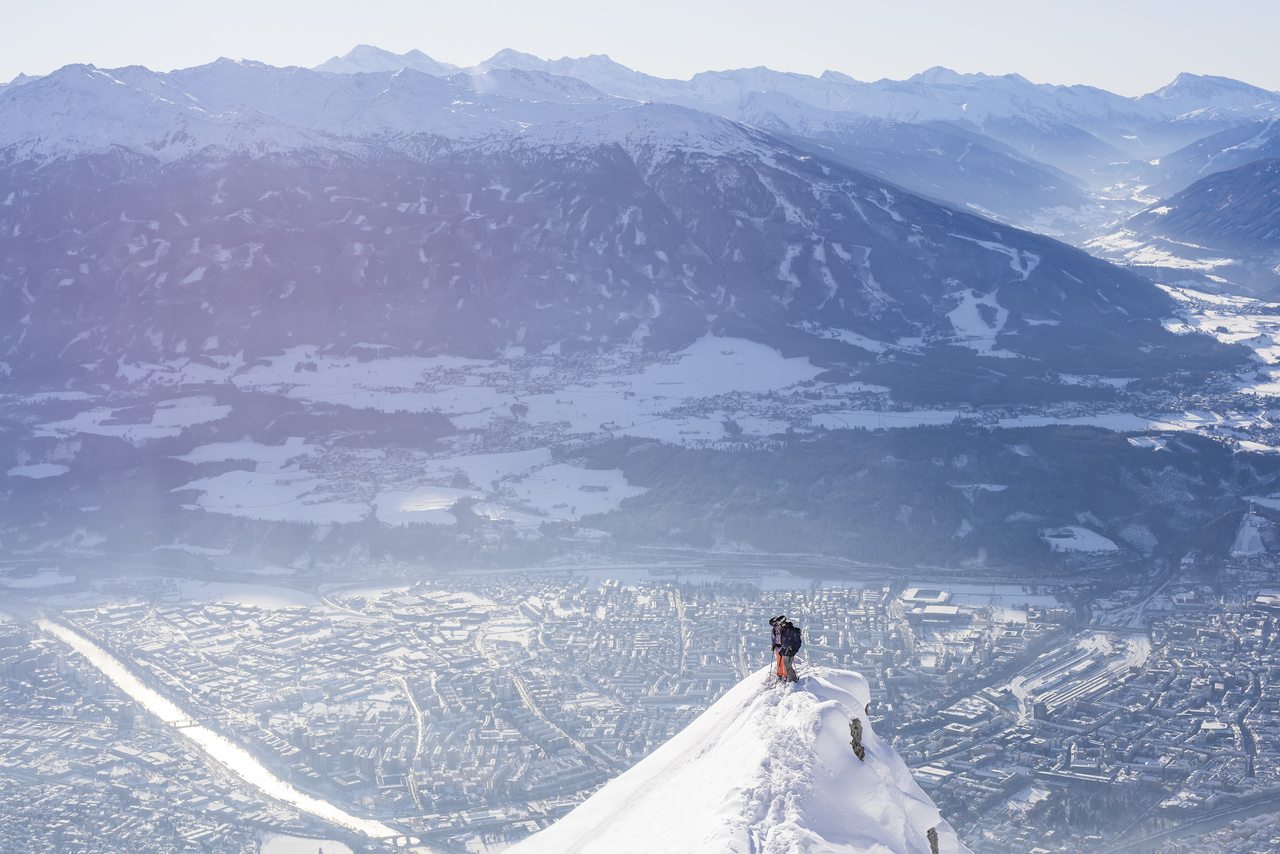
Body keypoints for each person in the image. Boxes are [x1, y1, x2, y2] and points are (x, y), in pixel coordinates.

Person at [769, 615, 802, 682]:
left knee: (786, 663)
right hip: (781, 647)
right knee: (781, 662)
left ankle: (788, 676)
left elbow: (786, 638)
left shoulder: (783, 629)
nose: (775, 624)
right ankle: (783, 675)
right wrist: (773, 644)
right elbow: (774, 638)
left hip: (785, 647)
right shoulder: (776, 630)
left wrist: (792, 648)